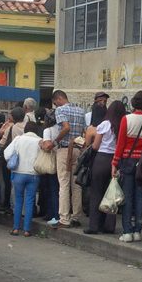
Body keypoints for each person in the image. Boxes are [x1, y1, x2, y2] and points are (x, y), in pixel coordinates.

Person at [111, 90, 142, 243]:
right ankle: (138, 230)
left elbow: (120, 144)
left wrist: (114, 163)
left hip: (127, 161)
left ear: (134, 102)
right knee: (140, 197)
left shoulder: (126, 119)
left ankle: (127, 231)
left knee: (127, 197)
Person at [87, 100, 128, 235]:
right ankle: (109, 226)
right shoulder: (123, 125)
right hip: (116, 160)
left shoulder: (105, 124)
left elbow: (95, 146)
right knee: (111, 193)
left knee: (96, 192)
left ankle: (94, 225)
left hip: (101, 159)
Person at [52, 90, 86, 228]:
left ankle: (64, 218)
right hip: (78, 149)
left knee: (64, 184)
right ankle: (76, 216)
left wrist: (55, 141)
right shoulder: (80, 111)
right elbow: (84, 130)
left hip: (65, 149)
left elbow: (66, 127)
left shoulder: (60, 110)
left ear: (58, 99)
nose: (55, 106)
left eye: (55, 103)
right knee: (76, 185)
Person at [4, 122, 43, 237]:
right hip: (33, 174)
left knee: (18, 201)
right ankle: (27, 230)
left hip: (18, 174)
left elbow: (7, 154)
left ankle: (16, 229)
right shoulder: (39, 141)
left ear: (25, 129)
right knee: (30, 201)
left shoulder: (18, 139)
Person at [39, 110, 61, 226]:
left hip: (51, 161)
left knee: (51, 189)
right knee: (59, 189)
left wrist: (41, 144)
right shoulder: (61, 129)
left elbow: (47, 146)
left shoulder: (48, 130)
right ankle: (59, 213)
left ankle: (53, 214)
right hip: (62, 160)